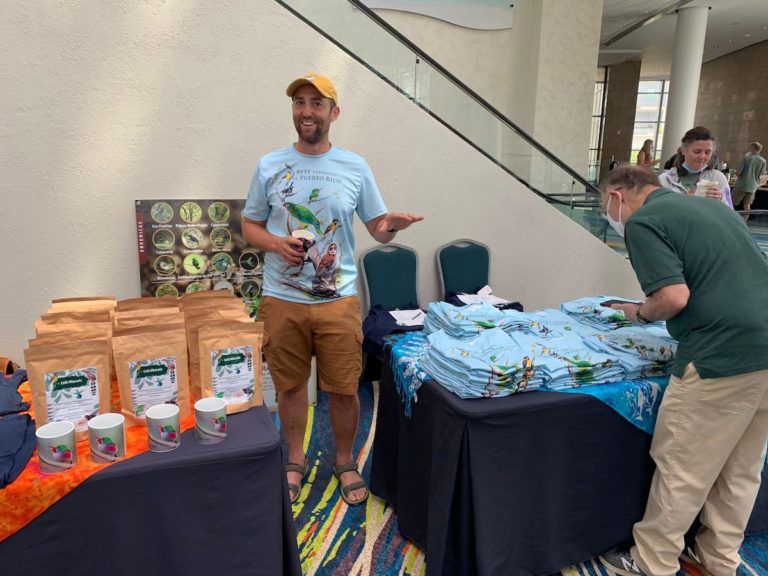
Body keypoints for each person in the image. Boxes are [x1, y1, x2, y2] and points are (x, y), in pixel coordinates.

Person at [241, 73, 423, 506]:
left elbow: (377, 228)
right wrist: (277, 244)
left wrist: (393, 225)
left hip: (337, 299)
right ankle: (295, 459)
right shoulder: (269, 165)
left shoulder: (354, 166)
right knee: (289, 387)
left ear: (333, 113)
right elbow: (249, 224)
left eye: (317, 103)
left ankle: (344, 462)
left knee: (343, 389)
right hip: (281, 298)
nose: (307, 111)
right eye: (300, 102)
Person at [596, 164, 768, 576]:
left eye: (605, 206)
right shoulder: (714, 209)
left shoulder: (644, 222)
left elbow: (672, 297)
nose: (609, 215)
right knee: (741, 467)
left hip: (720, 354)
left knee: (683, 464)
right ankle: (718, 556)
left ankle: (652, 561)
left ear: (617, 195)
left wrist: (639, 313)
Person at [658, 126, 731, 207]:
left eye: (707, 152)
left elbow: (730, 211)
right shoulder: (665, 180)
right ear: (683, 150)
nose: (702, 157)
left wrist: (721, 200)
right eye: (697, 151)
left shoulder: (718, 178)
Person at [732, 142, 766, 213]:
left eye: (750, 147)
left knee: (731, 203)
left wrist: (734, 172)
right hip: (752, 187)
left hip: (741, 186)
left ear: (753, 148)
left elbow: (738, 173)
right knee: (747, 206)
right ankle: (745, 220)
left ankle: (729, 218)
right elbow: (761, 175)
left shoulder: (746, 158)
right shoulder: (763, 161)